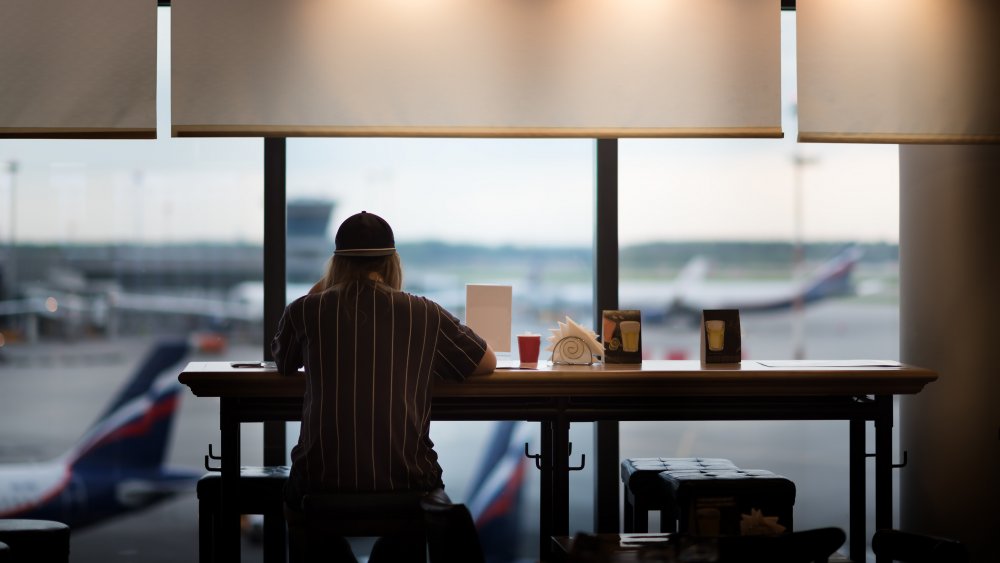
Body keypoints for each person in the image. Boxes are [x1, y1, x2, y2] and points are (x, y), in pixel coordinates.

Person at [272, 210, 496, 562]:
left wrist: (323, 288)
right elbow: (486, 363)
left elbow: (283, 362)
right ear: (393, 263)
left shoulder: (305, 310)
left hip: (319, 483)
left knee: (297, 505)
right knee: (404, 536)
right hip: (408, 482)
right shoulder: (424, 312)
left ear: (336, 265)